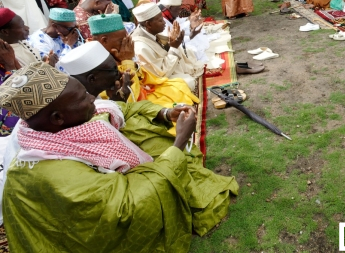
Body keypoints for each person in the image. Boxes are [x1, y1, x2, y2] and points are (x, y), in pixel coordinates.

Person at [0, 60, 238, 251]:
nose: (93, 99)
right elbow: (130, 208)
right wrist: (178, 145)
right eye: (84, 98)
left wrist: (166, 114)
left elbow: (123, 109)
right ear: (57, 118)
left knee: (146, 133)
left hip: (109, 191)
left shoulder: (48, 127)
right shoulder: (54, 173)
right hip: (92, 238)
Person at [88, 13, 199, 107]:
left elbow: (145, 76)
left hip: (145, 87)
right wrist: (127, 60)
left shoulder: (112, 51)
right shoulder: (96, 63)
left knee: (180, 84)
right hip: (134, 101)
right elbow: (130, 97)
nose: (127, 43)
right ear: (104, 40)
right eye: (122, 40)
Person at [131, 3, 204, 90]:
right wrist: (173, 47)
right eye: (160, 20)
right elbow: (161, 74)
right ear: (148, 24)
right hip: (157, 81)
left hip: (167, 68)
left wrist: (175, 41)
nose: (164, 23)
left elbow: (164, 49)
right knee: (188, 82)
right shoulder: (140, 47)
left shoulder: (148, 31)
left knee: (190, 51)